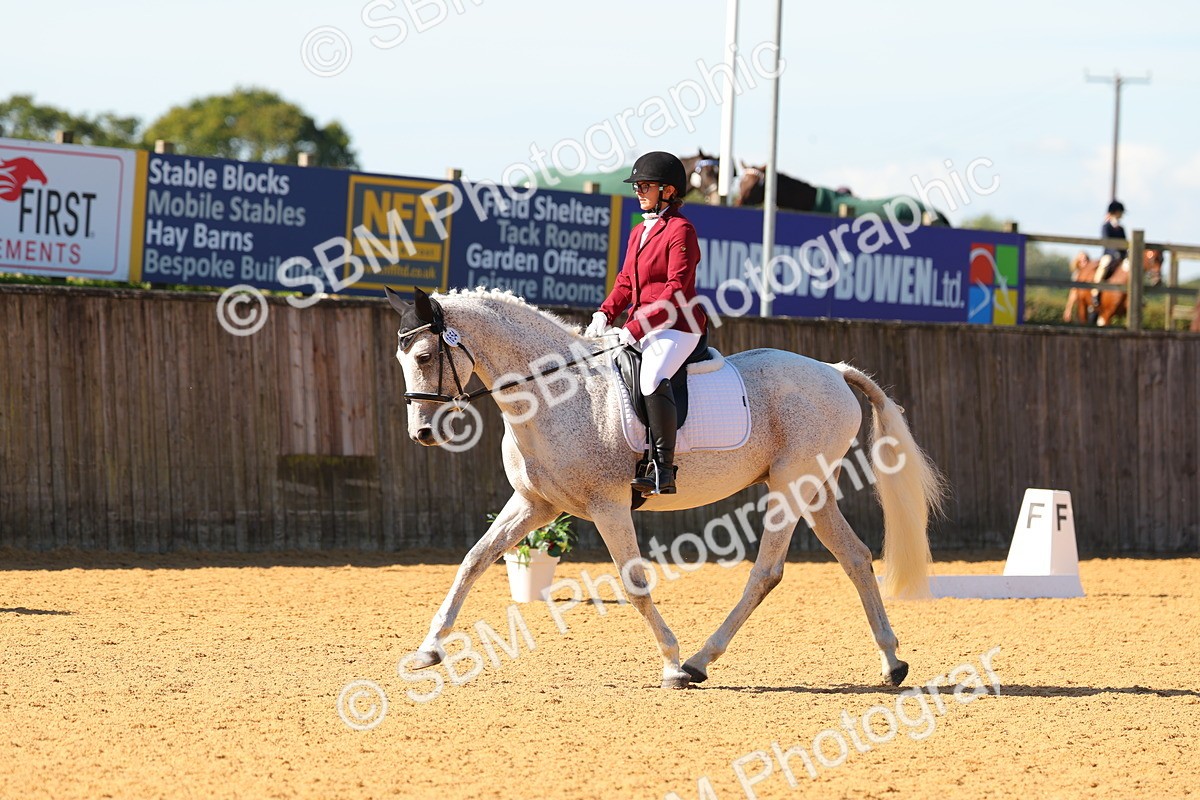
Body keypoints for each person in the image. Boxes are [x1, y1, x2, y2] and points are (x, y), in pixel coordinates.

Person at [584, 151, 707, 496]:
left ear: (669, 191)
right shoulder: (638, 231)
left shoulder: (681, 230)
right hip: (641, 324)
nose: (638, 191)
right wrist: (604, 314)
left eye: (645, 185)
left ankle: (663, 468)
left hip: (677, 325)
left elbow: (675, 289)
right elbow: (625, 281)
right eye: (636, 186)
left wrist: (635, 328)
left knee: (652, 376)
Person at [1091, 200, 1127, 322]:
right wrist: (1114, 253)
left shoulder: (1121, 228)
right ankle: (1096, 292)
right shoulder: (1106, 226)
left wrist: (1124, 254)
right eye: (1121, 212)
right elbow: (1106, 242)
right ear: (1116, 212)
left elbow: (1125, 243)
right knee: (1104, 266)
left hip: (1120, 257)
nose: (1122, 214)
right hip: (1109, 255)